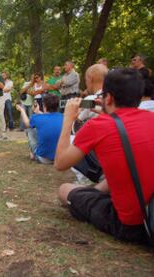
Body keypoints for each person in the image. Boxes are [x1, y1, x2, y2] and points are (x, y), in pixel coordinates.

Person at [55, 68, 154, 244]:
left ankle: (89, 194)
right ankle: (93, 192)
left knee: (64, 189)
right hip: (150, 212)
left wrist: (67, 120)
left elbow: (60, 163)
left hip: (132, 226)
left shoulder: (99, 125)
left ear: (107, 98)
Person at [16, 94, 63, 164]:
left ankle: (34, 154)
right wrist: (38, 112)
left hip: (43, 158)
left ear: (44, 106)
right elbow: (49, 117)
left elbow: (27, 123)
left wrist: (22, 110)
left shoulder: (37, 118)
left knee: (29, 130)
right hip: (61, 158)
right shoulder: (63, 117)